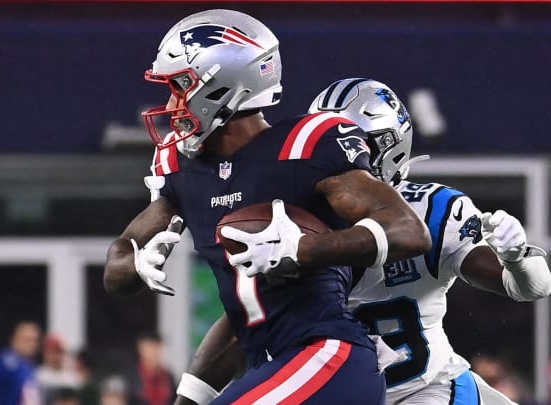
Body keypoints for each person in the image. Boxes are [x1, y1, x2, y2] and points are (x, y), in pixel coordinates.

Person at [104, 9, 431, 405]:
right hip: (272, 366)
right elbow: (121, 269)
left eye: (180, 86)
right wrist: (136, 264)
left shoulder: (307, 145)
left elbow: (410, 232)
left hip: (330, 356)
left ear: (222, 86)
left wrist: (302, 250)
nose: (172, 101)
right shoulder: (183, 170)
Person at [171, 79, 551, 405]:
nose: (334, 153)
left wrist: (518, 258)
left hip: (429, 389)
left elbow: (529, 289)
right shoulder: (294, 218)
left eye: (350, 142)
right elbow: (245, 317)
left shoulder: (431, 211)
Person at [0, 321, 42, 405]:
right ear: (14, 339)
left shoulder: (28, 366)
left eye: (35, 340)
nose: (32, 344)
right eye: (27, 340)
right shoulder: (4, 362)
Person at [127, 331, 175, 405]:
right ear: (141, 348)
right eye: (152, 347)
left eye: (158, 347)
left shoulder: (167, 377)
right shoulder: (131, 377)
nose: (156, 352)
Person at [36, 334, 81, 404]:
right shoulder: (37, 375)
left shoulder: (72, 376)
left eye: (57, 351)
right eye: (50, 351)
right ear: (44, 353)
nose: (53, 356)